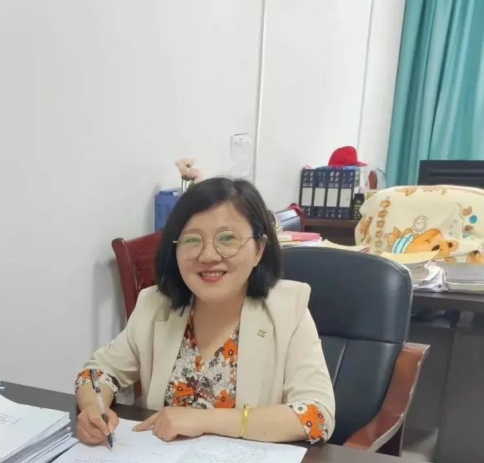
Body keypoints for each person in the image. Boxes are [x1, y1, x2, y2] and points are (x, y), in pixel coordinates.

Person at [75, 177, 335, 446]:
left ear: (259, 249)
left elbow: (316, 415)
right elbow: (97, 372)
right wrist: (94, 408)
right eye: (192, 240)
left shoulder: (288, 309)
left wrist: (205, 420)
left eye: (227, 238)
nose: (208, 255)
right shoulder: (156, 305)